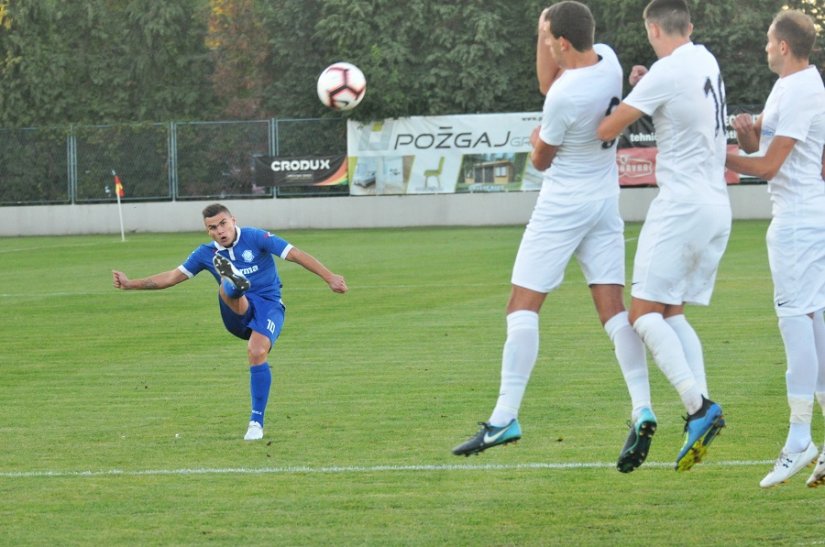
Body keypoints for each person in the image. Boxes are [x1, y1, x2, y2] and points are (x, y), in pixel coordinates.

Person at [452, 1, 656, 475]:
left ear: (562, 43)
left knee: (521, 307)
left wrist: (537, 138)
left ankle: (504, 416)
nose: (545, 45)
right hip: (605, 202)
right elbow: (552, 82)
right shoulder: (608, 58)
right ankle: (642, 406)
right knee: (613, 310)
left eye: (548, 40)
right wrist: (545, 25)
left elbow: (542, 159)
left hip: (563, 205)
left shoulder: (564, 100)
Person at [596, 0, 731, 471]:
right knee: (671, 312)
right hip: (717, 206)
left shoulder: (664, 73)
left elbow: (607, 128)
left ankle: (698, 408)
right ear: (688, 27)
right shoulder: (704, 59)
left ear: (652, 28)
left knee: (640, 315)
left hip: (681, 207)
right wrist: (646, 87)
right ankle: (701, 404)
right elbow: (680, 108)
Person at [112, 203, 348, 441]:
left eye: (223, 224)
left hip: (269, 306)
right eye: (212, 228)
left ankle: (256, 423)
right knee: (229, 291)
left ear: (234, 221)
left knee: (256, 352)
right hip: (236, 312)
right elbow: (172, 277)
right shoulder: (205, 253)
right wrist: (130, 284)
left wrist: (330, 277)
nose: (220, 231)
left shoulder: (256, 237)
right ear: (208, 231)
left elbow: (295, 254)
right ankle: (232, 283)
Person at [724, 10, 825, 488]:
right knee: (817, 328)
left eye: (768, 41)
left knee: (795, 325)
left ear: (783, 45)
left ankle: (800, 439)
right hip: (808, 220)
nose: (765, 47)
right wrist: (744, 134)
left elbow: (765, 166)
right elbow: (758, 144)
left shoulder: (803, 88)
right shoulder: (790, 85)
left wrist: (710, 149)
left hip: (799, 225)